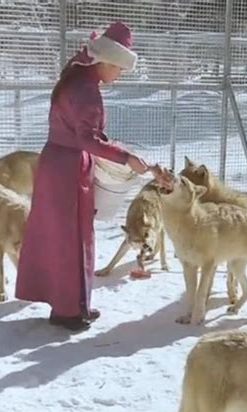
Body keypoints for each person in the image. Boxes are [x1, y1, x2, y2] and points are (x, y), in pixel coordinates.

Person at [15, 22, 150, 331]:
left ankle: (69, 304)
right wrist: (126, 158)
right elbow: (88, 139)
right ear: (105, 60)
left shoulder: (76, 77)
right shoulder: (86, 91)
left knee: (60, 236)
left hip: (56, 163)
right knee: (72, 238)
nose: (119, 75)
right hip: (68, 170)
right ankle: (68, 311)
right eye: (119, 68)